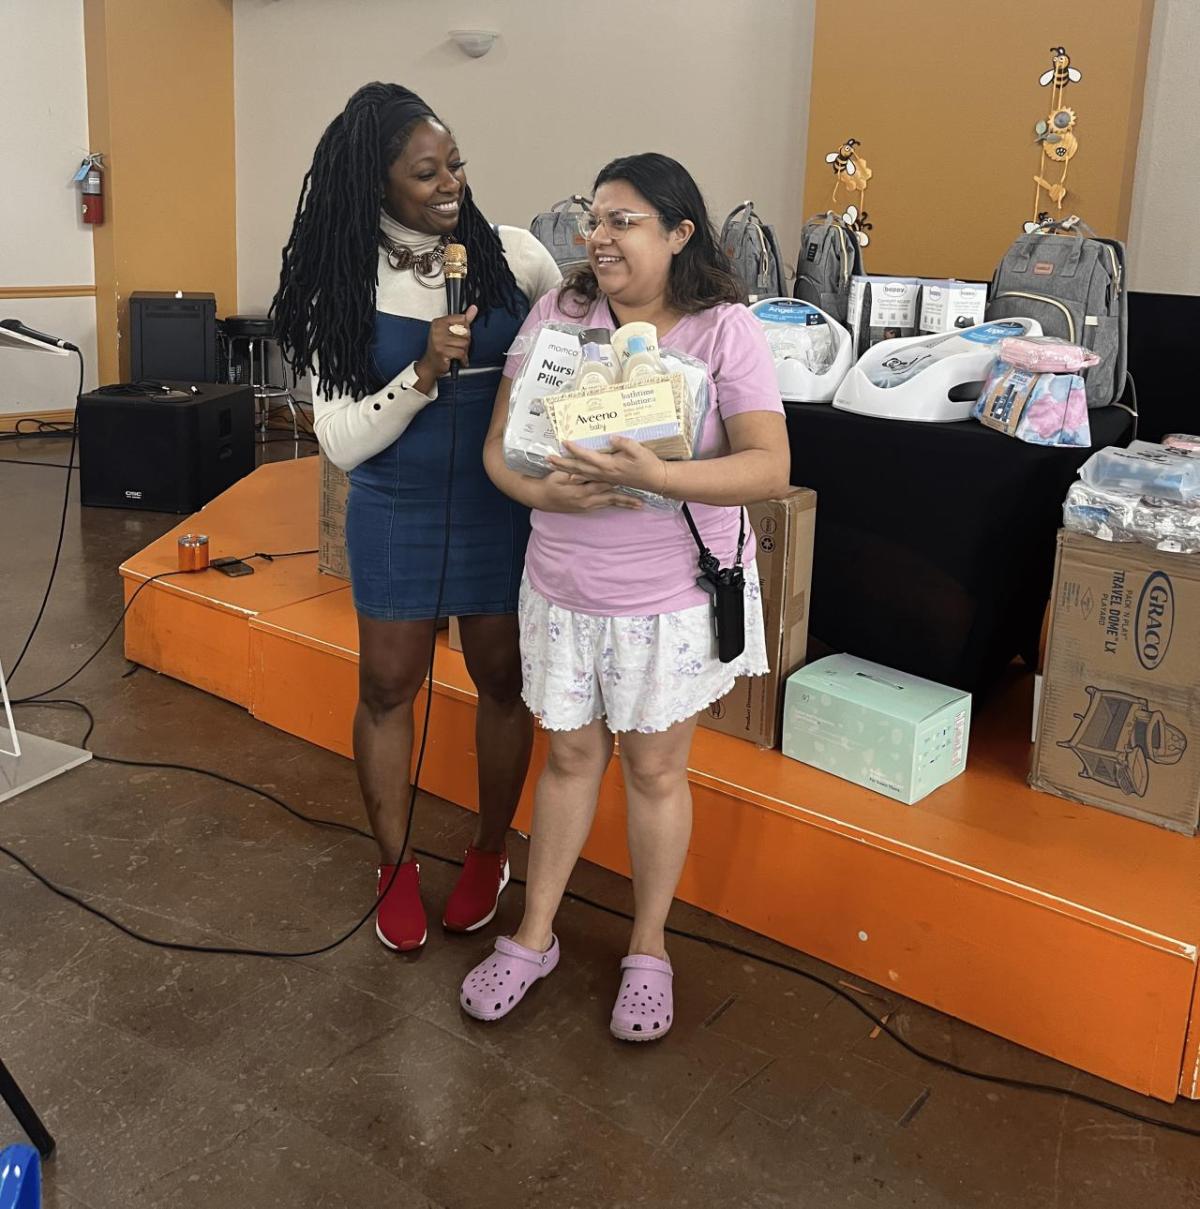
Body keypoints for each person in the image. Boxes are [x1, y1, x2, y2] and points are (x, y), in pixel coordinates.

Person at [463, 153, 790, 1039]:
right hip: (563, 589)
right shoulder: (557, 314)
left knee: (653, 771)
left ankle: (649, 948)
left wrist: (663, 473)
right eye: (594, 218)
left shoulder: (725, 331)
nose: (597, 237)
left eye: (624, 221)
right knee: (567, 760)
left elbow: (770, 465)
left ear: (681, 234)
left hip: (668, 601)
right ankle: (534, 934)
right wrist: (540, 492)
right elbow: (501, 446)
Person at [273, 83, 561, 952]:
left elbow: (573, 341)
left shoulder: (513, 255)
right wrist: (422, 376)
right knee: (388, 687)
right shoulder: (341, 283)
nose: (450, 185)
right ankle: (394, 863)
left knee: (503, 681)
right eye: (426, 172)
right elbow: (341, 442)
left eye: (457, 164)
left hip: (498, 506)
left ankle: (488, 851)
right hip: (395, 506)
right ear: (378, 184)